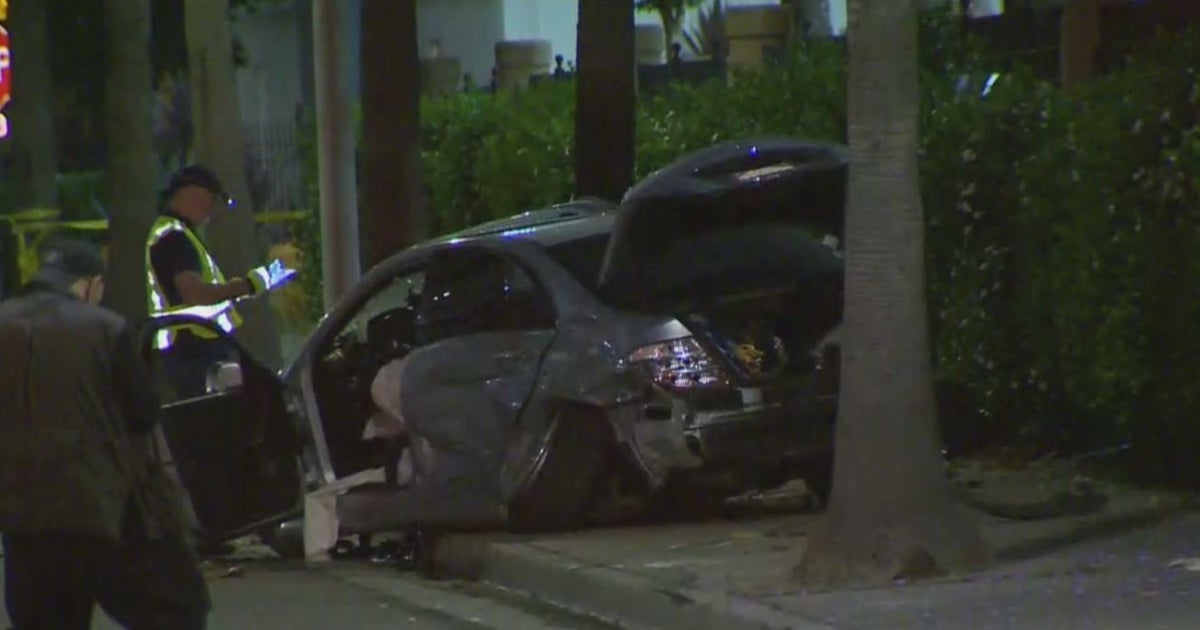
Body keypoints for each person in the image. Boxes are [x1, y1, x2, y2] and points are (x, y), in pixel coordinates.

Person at [0, 238, 210, 630]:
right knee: (175, 609)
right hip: (99, 505)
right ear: (91, 284)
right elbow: (142, 414)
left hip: (20, 514)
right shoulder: (103, 327)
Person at [146, 164, 296, 398]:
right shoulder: (174, 237)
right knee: (210, 422)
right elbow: (194, 293)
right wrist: (245, 286)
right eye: (212, 199)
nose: (212, 210)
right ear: (192, 192)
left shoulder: (176, 233)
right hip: (196, 351)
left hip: (193, 348)